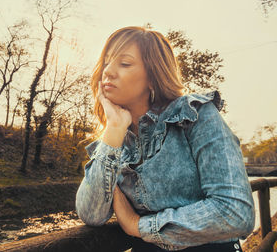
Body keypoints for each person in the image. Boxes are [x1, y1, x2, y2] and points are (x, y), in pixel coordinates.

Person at [75, 26, 255, 252]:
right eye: (107, 62)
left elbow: (235, 213)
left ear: (153, 76)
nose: (108, 72)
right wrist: (113, 127)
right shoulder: (113, 141)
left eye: (125, 63)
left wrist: (138, 225)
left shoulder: (195, 115)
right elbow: (91, 214)